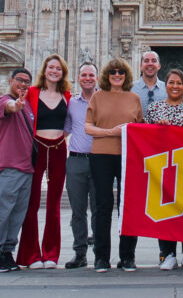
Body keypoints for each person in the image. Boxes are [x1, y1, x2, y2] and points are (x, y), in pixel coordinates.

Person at [85, 57, 143, 273]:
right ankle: (101, 257)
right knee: (102, 206)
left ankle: (127, 256)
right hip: (100, 156)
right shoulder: (98, 97)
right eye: (113, 72)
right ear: (107, 76)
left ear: (126, 76)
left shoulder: (134, 98)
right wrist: (111, 132)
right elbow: (88, 127)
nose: (117, 75)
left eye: (121, 72)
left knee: (128, 207)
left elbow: (140, 129)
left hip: (128, 157)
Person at [145, 68, 183, 271]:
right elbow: (145, 137)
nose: (175, 86)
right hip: (163, 168)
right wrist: (157, 128)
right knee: (165, 211)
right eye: (171, 82)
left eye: (179, 83)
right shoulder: (154, 108)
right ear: (165, 84)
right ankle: (167, 254)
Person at [18, 54, 72, 269]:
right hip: (36, 148)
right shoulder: (31, 93)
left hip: (58, 147)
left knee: (54, 205)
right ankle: (30, 254)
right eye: (51, 67)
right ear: (45, 70)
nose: (54, 71)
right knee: (31, 203)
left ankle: (51, 254)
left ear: (63, 72)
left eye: (58, 68)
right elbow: (12, 114)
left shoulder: (67, 95)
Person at [0, 67, 36, 273]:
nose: (23, 85)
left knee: (16, 215)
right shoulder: (3, 100)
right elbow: (8, 107)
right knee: (2, 212)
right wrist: (15, 105)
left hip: (26, 167)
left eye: (26, 82)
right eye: (20, 80)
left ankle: (7, 252)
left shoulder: (30, 107)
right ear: (11, 80)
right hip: (7, 166)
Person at [64, 62, 98, 269]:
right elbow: (63, 129)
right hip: (75, 160)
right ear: (78, 78)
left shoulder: (104, 100)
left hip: (99, 161)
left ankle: (100, 254)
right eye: (84, 74)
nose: (87, 78)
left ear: (97, 77)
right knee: (78, 211)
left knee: (98, 210)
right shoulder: (71, 103)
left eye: (91, 75)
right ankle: (79, 253)